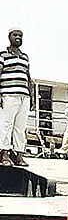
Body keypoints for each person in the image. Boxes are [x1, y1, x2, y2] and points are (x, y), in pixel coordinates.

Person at [0, 28, 34, 167]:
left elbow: (28, 77)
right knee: (6, 124)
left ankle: (19, 154)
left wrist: (31, 96)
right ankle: (4, 154)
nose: (18, 37)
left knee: (20, 126)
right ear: (9, 37)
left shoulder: (25, 56)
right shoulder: (3, 55)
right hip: (8, 94)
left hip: (23, 96)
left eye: (20, 35)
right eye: (15, 35)